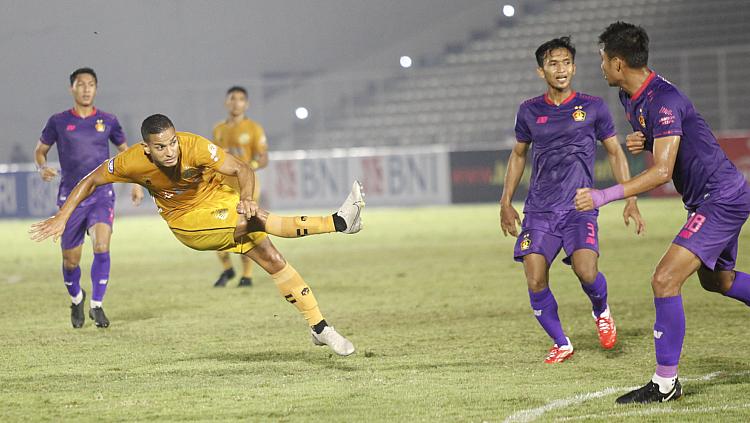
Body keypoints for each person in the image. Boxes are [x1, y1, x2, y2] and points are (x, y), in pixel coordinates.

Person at [30, 114, 364, 356]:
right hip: (187, 222)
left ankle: (319, 328)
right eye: (161, 147)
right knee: (258, 221)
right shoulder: (132, 161)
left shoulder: (194, 146)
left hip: (219, 202)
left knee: (274, 260)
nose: (171, 151)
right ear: (147, 149)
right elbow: (90, 179)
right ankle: (338, 222)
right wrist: (63, 216)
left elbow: (241, 169)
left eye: (172, 142)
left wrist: (246, 196)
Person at [576, 21, 750, 403]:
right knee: (717, 281)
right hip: (712, 197)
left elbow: (662, 172)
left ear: (619, 63)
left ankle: (665, 384)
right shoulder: (630, 97)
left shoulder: (664, 100)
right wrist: (647, 139)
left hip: (719, 198)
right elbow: (665, 142)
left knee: (664, 279)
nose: (601, 66)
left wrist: (604, 196)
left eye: (603, 60)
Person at [500, 36, 644, 364]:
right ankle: (561, 342)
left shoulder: (593, 107)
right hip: (539, 209)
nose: (561, 69)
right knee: (535, 277)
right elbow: (518, 155)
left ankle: (601, 311)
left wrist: (629, 196)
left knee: (586, 271)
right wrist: (505, 201)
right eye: (553, 63)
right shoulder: (529, 111)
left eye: (566, 63)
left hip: (580, 206)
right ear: (541, 71)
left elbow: (614, 151)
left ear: (574, 68)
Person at [33, 67, 144, 329]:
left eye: (91, 84)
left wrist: (136, 182)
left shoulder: (108, 120)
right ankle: (76, 298)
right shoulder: (58, 121)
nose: (85, 88)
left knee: (102, 246)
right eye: (80, 84)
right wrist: (42, 167)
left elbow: (125, 153)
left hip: (101, 195)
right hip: (70, 198)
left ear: (96, 88)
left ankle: (97, 305)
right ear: (72, 88)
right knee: (70, 261)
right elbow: (40, 150)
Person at [211, 86, 269, 288]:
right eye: (233, 99)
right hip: (224, 185)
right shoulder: (218, 129)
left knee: (244, 227)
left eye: (241, 99)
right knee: (216, 226)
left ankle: (247, 275)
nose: (236, 103)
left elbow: (263, 158)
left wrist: (249, 166)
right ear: (227, 102)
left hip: (247, 185)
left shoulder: (254, 128)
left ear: (247, 104)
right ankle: (227, 269)